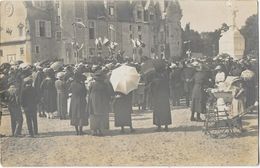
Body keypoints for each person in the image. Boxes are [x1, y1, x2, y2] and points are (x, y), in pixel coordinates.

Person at [87, 71, 113, 136]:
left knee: (94, 116)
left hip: (93, 102)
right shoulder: (105, 85)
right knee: (102, 116)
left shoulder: (92, 84)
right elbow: (108, 94)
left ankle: (94, 130)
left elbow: (89, 94)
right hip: (102, 102)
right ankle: (100, 130)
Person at [69, 71, 88, 135]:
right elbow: (85, 93)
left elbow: (70, 90)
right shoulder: (82, 84)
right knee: (81, 115)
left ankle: (76, 131)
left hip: (74, 100)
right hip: (81, 100)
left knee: (74, 115)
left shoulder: (72, 84)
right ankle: (80, 130)